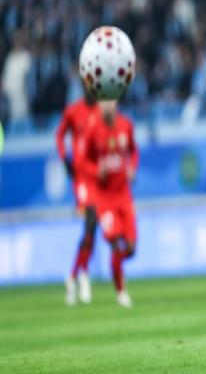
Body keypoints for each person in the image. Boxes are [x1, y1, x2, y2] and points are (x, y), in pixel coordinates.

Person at [82, 99, 139, 307]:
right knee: (115, 244)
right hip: (104, 199)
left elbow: (134, 151)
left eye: (111, 101)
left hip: (124, 196)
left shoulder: (126, 125)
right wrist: (96, 170)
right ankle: (121, 291)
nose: (107, 106)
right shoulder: (92, 129)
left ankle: (115, 267)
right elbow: (83, 160)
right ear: (99, 106)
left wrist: (132, 168)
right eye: (104, 102)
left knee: (131, 248)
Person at [56, 88, 99, 305]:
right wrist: (65, 159)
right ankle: (82, 276)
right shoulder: (73, 111)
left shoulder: (101, 112)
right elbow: (59, 136)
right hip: (81, 178)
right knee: (90, 222)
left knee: (92, 230)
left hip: (98, 178)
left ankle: (74, 276)